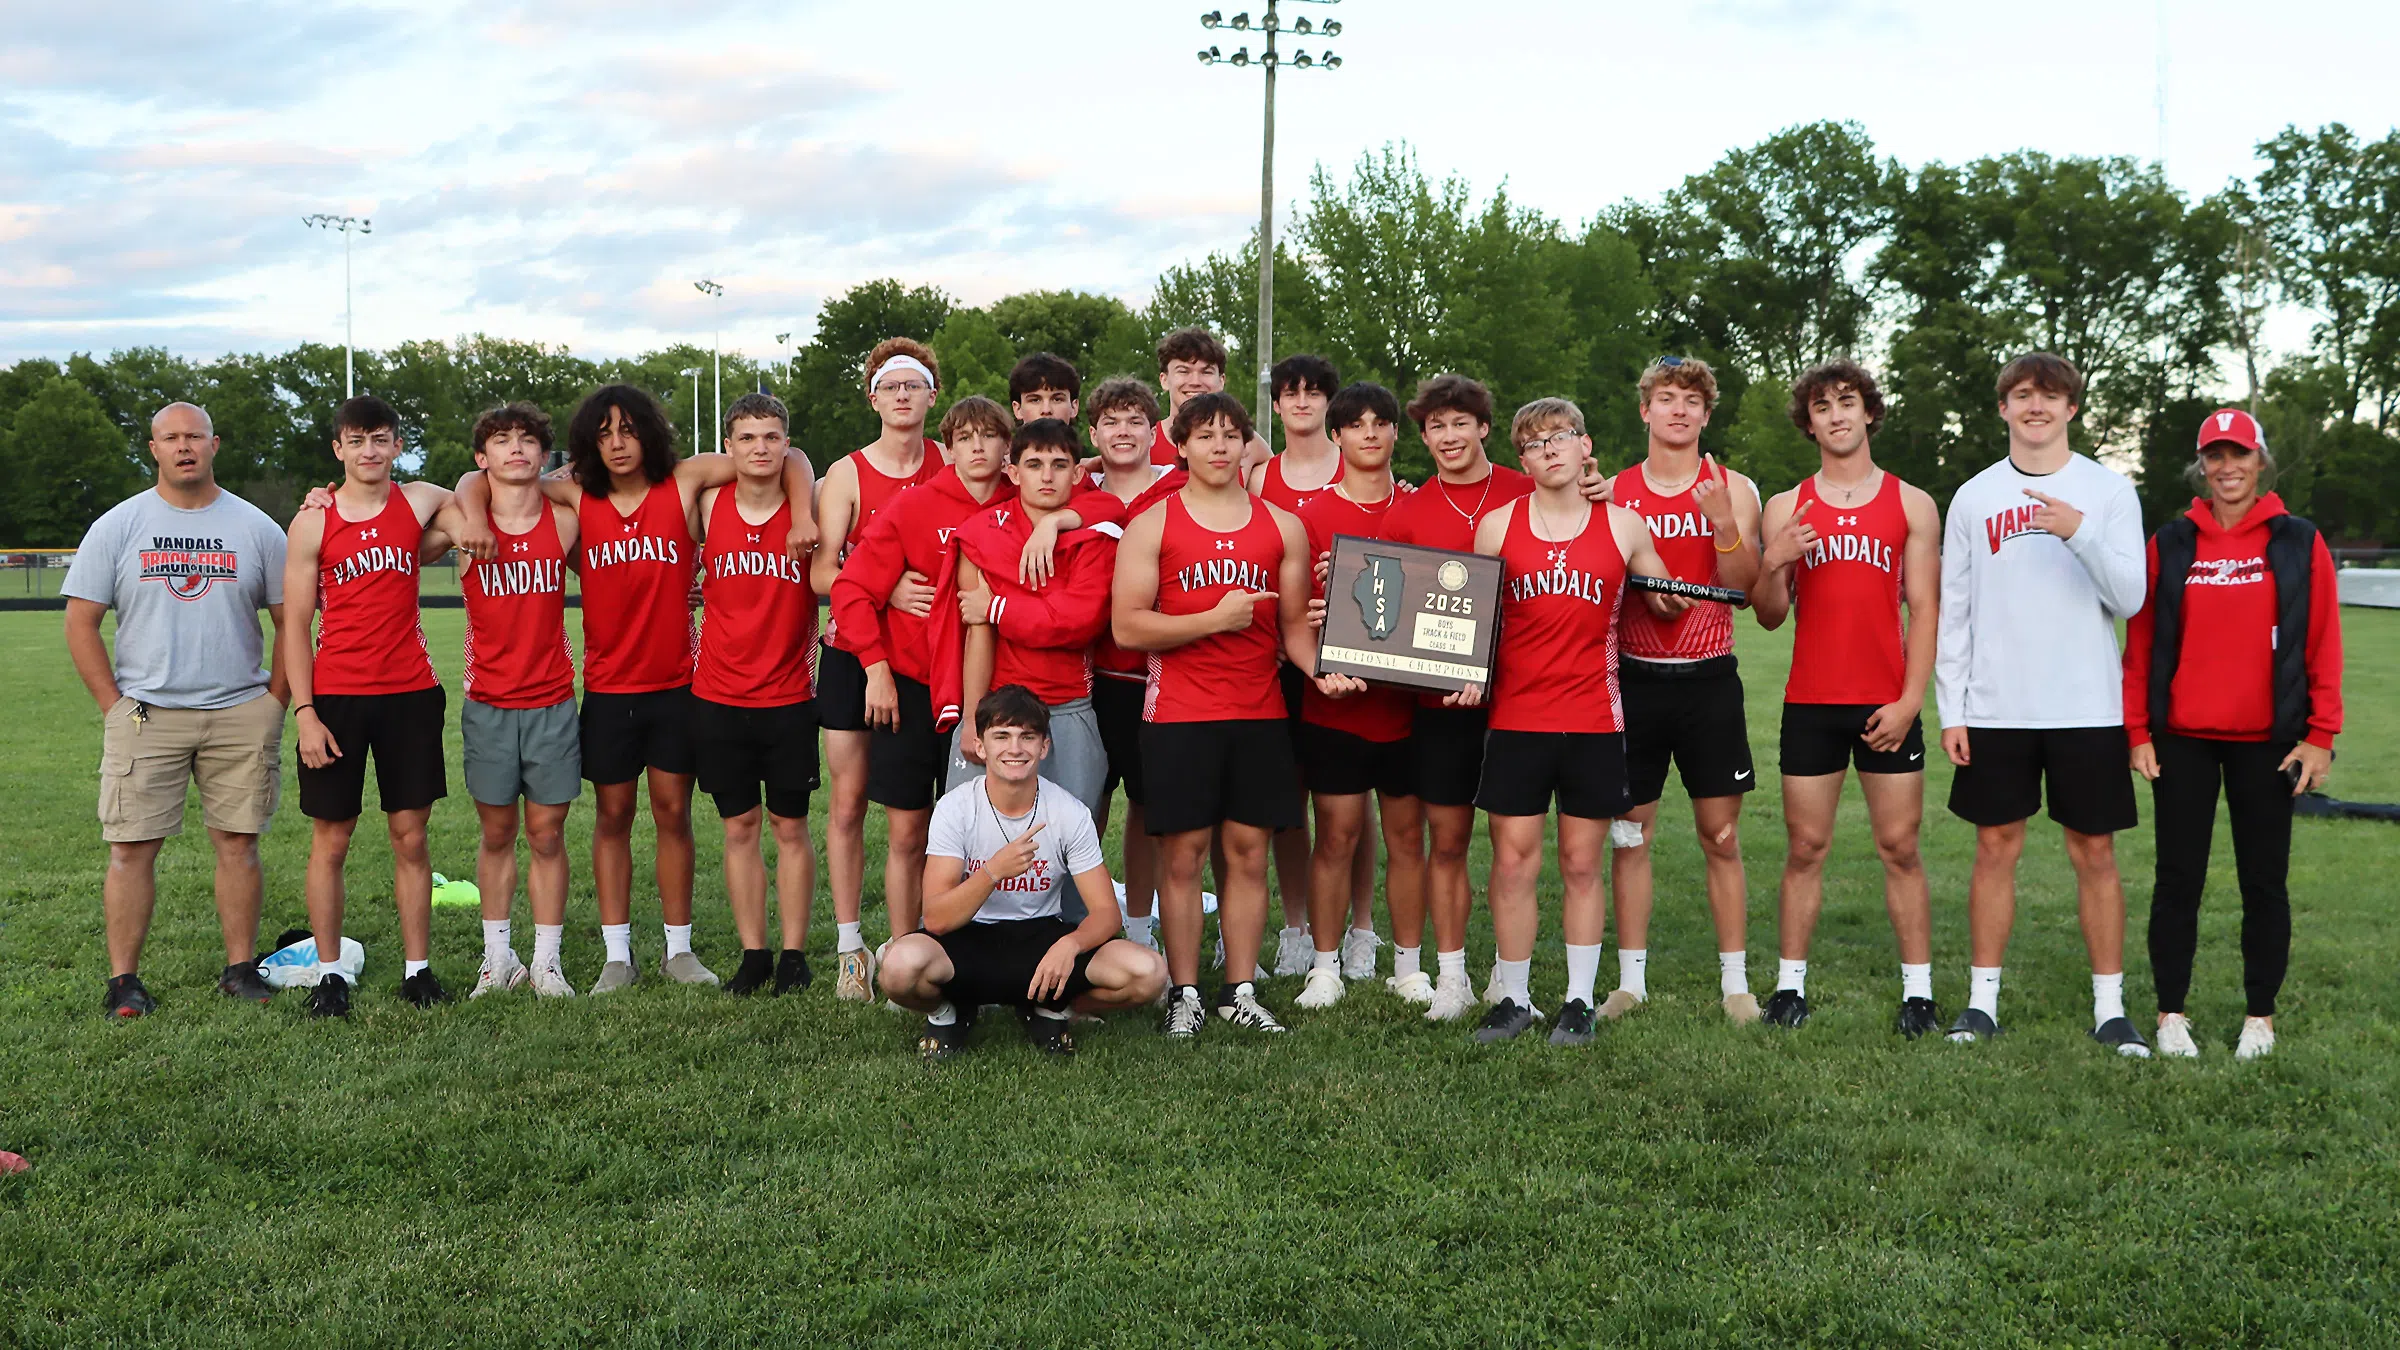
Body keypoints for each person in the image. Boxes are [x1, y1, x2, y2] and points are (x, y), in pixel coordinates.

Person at [452, 383, 815, 994]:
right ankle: (617, 954)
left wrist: (803, 513)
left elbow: (791, 457)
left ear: (649, 431)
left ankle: (680, 949)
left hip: (677, 684)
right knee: (613, 816)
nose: (618, 444)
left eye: (628, 429)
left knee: (674, 813)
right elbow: (479, 480)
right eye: (604, 433)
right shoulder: (576, 493)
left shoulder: (685, 479)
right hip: (608, 688)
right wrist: (466, 507)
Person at [833, 399, 1121, 949]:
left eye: (990, 437)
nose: (979, 448)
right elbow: (857, 589)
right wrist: (882, 667)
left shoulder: (1058, 507)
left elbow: (1077, 602)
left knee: (1074, 838)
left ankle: (1072, 964)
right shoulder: (948, 517)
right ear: (950, 446)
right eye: (965, 438)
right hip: (957, 693)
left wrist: (1056, 526)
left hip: (1059, 700)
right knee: (937, 836)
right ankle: (917, 953)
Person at [1937, 353, 2149, 1054]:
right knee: (1995, 848)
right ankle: (1981, 1004)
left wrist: (2078, 530)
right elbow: (1955, 611)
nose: (2036, 407)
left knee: (2094, 852)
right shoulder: (1974, 496)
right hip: (1997, 708)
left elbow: (2130, 598)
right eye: (2022, 395)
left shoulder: (2109, 492)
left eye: (2050, 397)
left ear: (2072, 410)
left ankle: (2110, 1008)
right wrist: (1953, 708)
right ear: (2002, 408)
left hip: (2086, 706)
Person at [2123, 408, 2343, 1061]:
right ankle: (2171, 1015)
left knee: (2264, 882)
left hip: (2269, 744)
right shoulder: (2170, 542)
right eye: (2214, 457)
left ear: (2260, 462)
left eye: (2238, 455)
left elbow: (2323, 641)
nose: (2227, 468)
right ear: (2201, 465)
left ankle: (2259, 1019)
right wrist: (2138, 731)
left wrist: (2320, 734)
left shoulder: (2298, 541)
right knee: (2177, 880)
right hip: (2183, 739)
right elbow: (2140, 647)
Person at [63, 401, 290, 1017]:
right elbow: (81, 621)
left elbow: (291, 622)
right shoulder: (119, 525)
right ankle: (123, 981)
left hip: (239, 707)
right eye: (171, 437)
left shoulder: (256, 528)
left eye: (194, 436)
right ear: (154, 448)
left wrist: (276, 701)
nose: (184, 446)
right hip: (146, 712)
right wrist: (114, 705)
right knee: (132, 847)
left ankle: (240, 968)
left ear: (215, 444)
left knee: (238, 843)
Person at [1112, 391, 1323, 1037]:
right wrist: (1213, 619)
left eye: (1231, 435)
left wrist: (1326, 672)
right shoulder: (1153, 524)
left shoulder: (1281, 524)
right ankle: (1183, 992)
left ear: (1245, 445)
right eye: (1205, 436)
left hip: (1257, 714)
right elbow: (1127, 627)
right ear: (1178, 445)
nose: (1220, 446)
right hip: (1179, 714)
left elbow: (1293, 630)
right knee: (1183, 857)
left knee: (1249, 854)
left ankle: (1238, 987)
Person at [1465, 398, 1673, 1044]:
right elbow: (1471, 622)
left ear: (1586, 448)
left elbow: (1667, 603)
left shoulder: (1625, 525)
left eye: (1562, 437)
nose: (1549, 449)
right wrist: (1465, 674)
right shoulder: (1498, 526)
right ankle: (1516, 997)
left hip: (1592, 719)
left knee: (1583, 863)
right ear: (1521, 460)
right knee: (1513, 862)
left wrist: (1669, 588)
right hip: (1519, 717)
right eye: (1534, 442)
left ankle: (1579, 999)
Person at [1749, 362, 1944, 1036]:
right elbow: (1769, 614)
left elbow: (1925, 610)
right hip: (1811, 701)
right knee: (1805, 847)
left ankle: (1918, 993)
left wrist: (1911, 701)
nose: (1836, 415)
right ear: (1809, 422)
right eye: (1822, 406)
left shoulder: (1912, 503)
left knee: (1900, 847)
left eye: (1847, 403)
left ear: (1869, 413)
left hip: (1886, 703)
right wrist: (1775, 559)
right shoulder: (1786, 505)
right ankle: (1789, 987)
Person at [281, 396, 464, 1017]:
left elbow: (469, 488)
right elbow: (296, 624)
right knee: (331, 840)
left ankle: (418, 970)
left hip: (409, 694)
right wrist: (305, 713)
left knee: (410, 836)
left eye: (380, 439)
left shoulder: (414, 502)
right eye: (356, 441)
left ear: (395, 445)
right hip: (337, 697)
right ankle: (329, 974)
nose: (368, 451)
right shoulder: (313, 521)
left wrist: (455, 529)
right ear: (337, 449)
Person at [880, 686, 1170, 1059]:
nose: (1014, 749)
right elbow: (935, 918)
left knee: (1147, 972)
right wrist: (992, 873)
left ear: (1044, 747)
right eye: (1001, 736)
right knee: (898, 967)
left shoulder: (1068, 811)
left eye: (1026, 737)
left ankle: (1054, 1009)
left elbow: (1105, 914)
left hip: (1041, 937)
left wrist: (1070, 945)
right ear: (981, 747)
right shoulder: (955, 808)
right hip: (970, 939)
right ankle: (948, 1012)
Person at [1607, 356, 1766, 1026]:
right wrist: (1648, 595)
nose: (1678, 410)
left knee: (1721, 835)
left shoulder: (1734, 485)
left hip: (1708, 681)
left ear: (1706, 414)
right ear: (1645, 410)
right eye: (1666, 398)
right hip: (1635, 678)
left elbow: (1748, 588)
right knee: (1630, 836)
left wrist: (1724, 523)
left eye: (1691, 401)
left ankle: (1736, 985)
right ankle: (1630, 981)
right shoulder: (1613, 489)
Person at [1377, 374, 1533, 1022]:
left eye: (1460, 422)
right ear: (1424, 435)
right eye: (1436, 426)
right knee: (1447, 841)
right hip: (1439, 705)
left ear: (1484, 427)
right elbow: (1382, 605)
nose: (1449, 436)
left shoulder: (1526, 491)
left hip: (1520, 699)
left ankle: (1508, 972)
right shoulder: (1408, 510)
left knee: (1514, 844)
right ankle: (1452, 975)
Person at [810, 338, 945, 1001]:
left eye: (912, 385)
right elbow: (821, 571)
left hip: (923, 664)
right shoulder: (848, 473)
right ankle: (849, 947)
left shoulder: (954, 464)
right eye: (888, 386)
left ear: (931, 396)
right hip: (852, 657)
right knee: (848, 801)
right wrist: (883, 585)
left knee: (917, 815)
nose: (900, 395)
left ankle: (912, 938)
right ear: (872, 398)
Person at [1291, 381, 1421, 1011]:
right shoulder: (1310, 518)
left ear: (1396, 433)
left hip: (1405, 704)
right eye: (1356, 424)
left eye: (1382, 422)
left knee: (1405, 837)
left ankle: (1410, 964)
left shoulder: (1420, 512)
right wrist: (1320, 606)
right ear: (1335, 435)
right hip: (1335, 700)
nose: (1370, 432)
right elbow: (1292, 615)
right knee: (1336, 833)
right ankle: (1324, 964)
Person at [691, 393, 822, 997]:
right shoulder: (709, 504)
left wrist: (803, 510)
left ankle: (794, 953)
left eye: (772, 437)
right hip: (717, 695)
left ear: (786, 442)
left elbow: (803, 470)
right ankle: (754, 952)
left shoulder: (808, 511)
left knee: (789, 826)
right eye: (747, 438)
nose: (760, 449)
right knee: (738, 825)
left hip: (790, 694)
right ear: (729, 447)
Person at [455, 403, 582, 1000]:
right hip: (489, 701)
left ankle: (547, 962)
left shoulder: (564, 519)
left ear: (544, 454)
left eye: (527, 440)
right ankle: (498, 958)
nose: (515, 450)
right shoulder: (460, 527)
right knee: (498, 831)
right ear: (482, 459)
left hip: (553, 699)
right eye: (501, 441)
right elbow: (414, 498)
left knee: (548, 833)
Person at [1249, 352, 1368, 979]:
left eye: (1314, 392)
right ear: (1275, 405)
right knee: (1290, 800)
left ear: (1330, 403)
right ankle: (1296, 929)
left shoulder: (1359, 462)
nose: (1302, 402)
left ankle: (1363, 929)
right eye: (1290, 393)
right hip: (1279, 658)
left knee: (1351, 802)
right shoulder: (1258, 476)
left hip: (1353, 654)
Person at [938, 417, 1115, 814]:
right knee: (974, 845)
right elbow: (978, 632)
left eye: (1059, 465)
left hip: (1068, 707)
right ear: (1013, 473)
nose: (1047, 476)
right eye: (1034, 465)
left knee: (1068, 847)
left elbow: (1076, 624)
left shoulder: (1098, 535)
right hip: (998, 709)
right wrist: (971, 720)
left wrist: (1000, 607)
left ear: (1078, 473)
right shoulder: (982, 532)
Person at [1082, 378, 1187, 951]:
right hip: (1086, 677)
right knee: (1084, 806)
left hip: (1157, 674)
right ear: (1094, 433)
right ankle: (1083, 922)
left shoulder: (1181, 488)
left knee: (1150, 809)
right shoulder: (1074, 488)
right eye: (1112, 423)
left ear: (1155, 432)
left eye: (1135, 422)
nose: (1124, 433)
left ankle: (1142, 928)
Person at [1149, 327, 1272, 474]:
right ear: (1164, 380)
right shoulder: (1145, 443)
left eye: (1206, 372)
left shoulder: (1248, 443)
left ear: (1221, 381)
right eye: (1183, 371)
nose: (1195, 381)